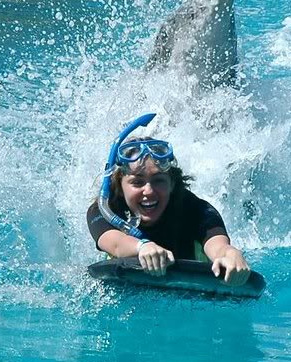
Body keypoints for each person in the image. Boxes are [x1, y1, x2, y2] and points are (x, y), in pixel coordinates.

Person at [87, 114, 251, 287]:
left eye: (158, 180)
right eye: (137, 182)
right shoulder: (105, 209)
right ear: (120, 187)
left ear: (172, 183)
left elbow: (218, 246)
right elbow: (114, 243)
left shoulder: (196, 209)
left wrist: (230, 254)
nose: (148, 191)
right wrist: (143, 247)